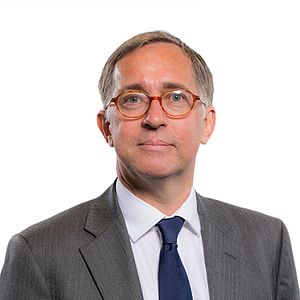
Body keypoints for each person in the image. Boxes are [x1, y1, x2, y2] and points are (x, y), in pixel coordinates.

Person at [0, 31, 299, 300]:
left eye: (176, 97)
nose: (154, 118)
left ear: (207, 124)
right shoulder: (38, 253)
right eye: (133, 99)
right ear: (106, 127)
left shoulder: (267, 241)